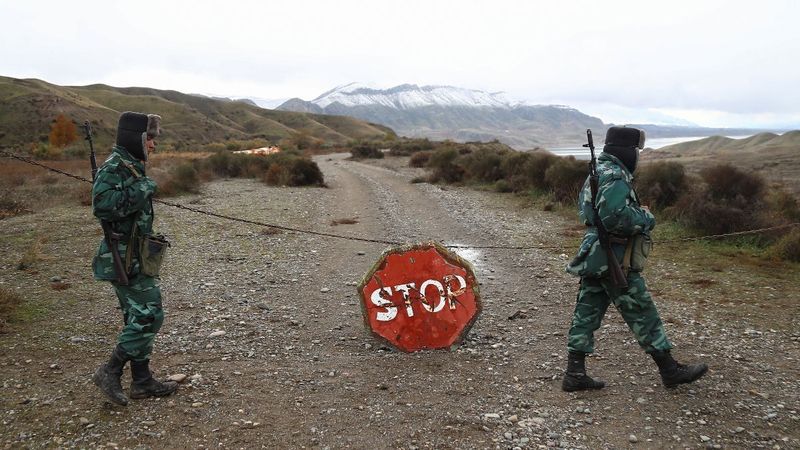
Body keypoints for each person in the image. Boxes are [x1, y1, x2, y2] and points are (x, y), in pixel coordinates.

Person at [562, 126, 708, 392]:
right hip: (615, 256)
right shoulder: (616, 176)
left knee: (586, 311)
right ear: (627, 151)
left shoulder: (599, 172)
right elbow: (615, 218)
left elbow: (589, 212)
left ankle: (575, 373)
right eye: (636, 151)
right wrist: (645, 218)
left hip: (595, 254)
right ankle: (670, 370)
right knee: (642, 311)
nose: (637, 156)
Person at [91, 111, 177, 405]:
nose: (153, 145)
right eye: (150, 138)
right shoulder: (115, 167)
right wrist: (145, 187)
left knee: (135, 317)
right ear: (136, 138)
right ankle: (110, 370)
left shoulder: (131, 165)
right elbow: (102, 206)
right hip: (123, 257)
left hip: (137, 255)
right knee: (149, 315)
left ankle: (142, 381)